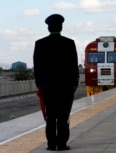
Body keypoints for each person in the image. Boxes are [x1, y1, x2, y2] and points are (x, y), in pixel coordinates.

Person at [33, 14, 79, 151]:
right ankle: (62, 144)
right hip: (66, 88)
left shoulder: (40, 44)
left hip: (48, 88)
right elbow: (74, 65)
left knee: (51, 117)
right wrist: (75, 83)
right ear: (61, 27)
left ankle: (51, 144)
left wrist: (39, 85)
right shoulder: (69, 43)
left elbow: (37, 67)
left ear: (48, 28)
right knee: (63, 117)